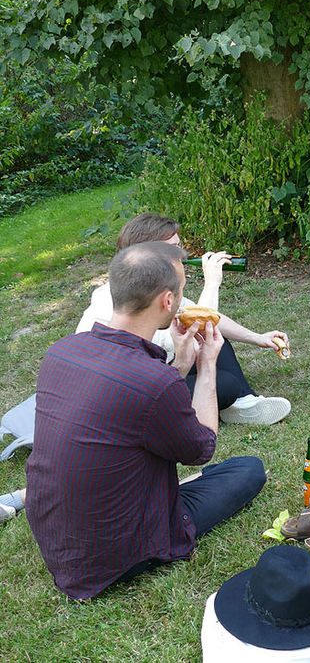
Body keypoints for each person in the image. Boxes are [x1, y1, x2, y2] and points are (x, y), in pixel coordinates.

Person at [26, 242, 266, 599]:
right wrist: (206, 367)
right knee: (248, 469)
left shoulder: (61, 351)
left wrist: (180, 365)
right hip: (115, 553)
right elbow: (202, 446)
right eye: (183, 290)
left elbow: (133, 409)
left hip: (58, 540)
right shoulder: (154, 382)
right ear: (168, 301)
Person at [76, 212, 291, 425]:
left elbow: (200, 314)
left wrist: (258, 338)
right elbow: (200, 327)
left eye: (179, 246)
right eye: (173, 249)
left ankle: (243, 402)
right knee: (226, 383)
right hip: (127, 398)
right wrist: (212, 283)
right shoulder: (115, 298)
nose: (182, 255)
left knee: (218, 341)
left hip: (152, 372)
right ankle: (229, 401)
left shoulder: (146, 285)